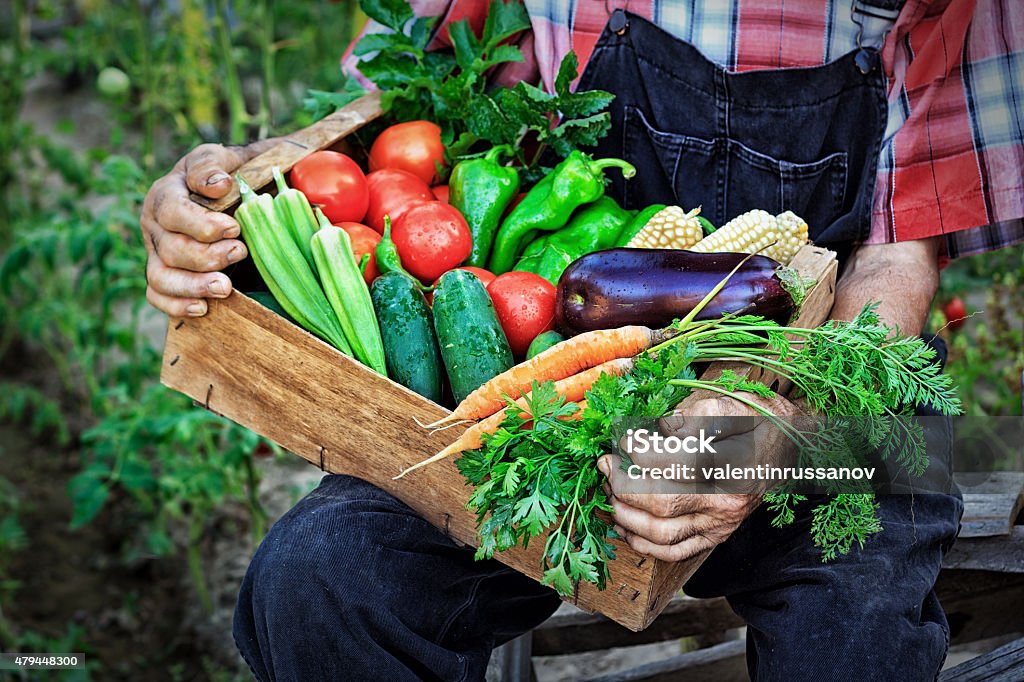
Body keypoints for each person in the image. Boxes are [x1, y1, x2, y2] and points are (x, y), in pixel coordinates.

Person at [140, 1, 1024, 680]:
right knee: (319, 582)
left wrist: (769, 422)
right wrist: (236, 188)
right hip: (555, 396)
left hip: (823, 380)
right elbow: (389, 108)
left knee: (854, 639)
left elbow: (899, 258)